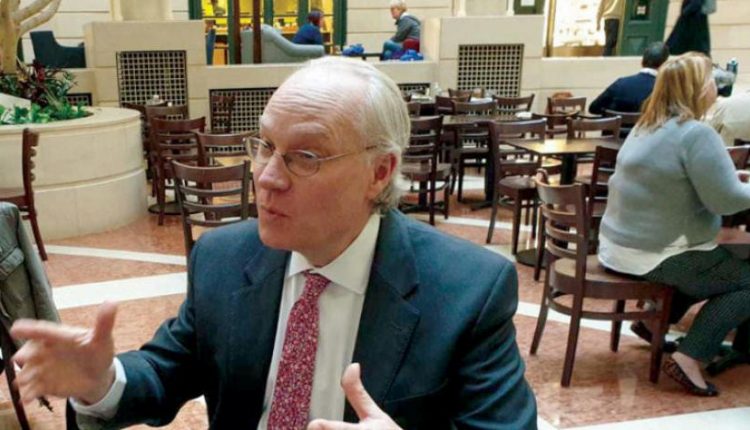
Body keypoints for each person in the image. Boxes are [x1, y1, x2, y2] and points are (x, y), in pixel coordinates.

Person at [10, 57, 537, 429]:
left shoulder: (467, 289)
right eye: (265, 145)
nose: (266, 177)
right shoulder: (223, 258)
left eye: (306, 157)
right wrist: (102, 380)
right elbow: (168, 370)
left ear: (379, 172)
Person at [598, 52, 750, 397]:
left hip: (619, 246)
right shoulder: (695, 133)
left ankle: (653, 322)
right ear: (696, 89)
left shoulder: (646, 126)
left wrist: (731, 180)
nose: (715, 86)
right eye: (710, 80)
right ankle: (690, 357)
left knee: (718, 258)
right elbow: (725, 202)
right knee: (744, 278)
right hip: (658, 253)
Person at [589, 41, 670, 115]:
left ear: (642, 62)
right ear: (664, 65)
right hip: (648, 127)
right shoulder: (666, 89)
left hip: (617, 127)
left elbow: (593, 108)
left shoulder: (620, 83)